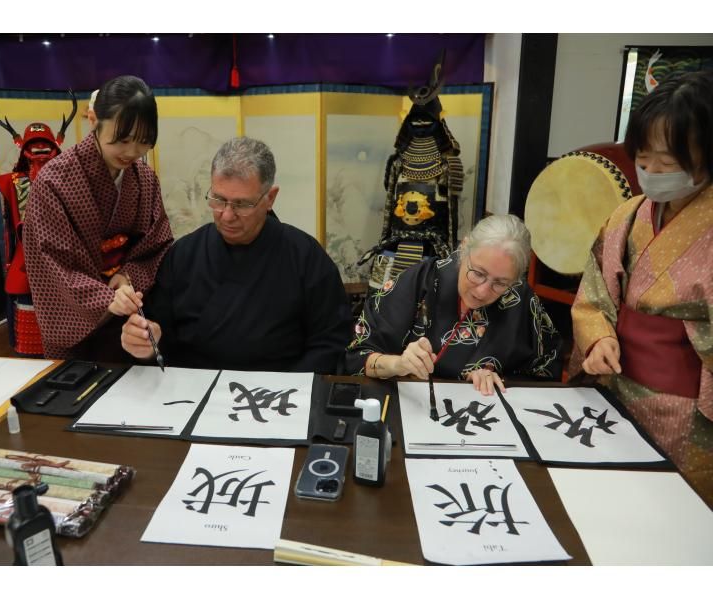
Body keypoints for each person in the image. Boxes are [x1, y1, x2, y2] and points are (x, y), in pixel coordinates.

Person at [571, 70, 713, 500]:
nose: (652, 173)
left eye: (667, 164)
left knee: (671, 514)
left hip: (688, 408)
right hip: (616, 387)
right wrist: (597, 341)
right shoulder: (629, 214)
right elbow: (593, 297)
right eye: (644, 160)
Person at [121, 137, 353, 373]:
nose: (227, 215)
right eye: (219, 200)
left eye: (242, 205)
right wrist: (147, 343)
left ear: (270, 198)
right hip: (195, 390)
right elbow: (159, 334)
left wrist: (288, 389)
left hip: (278, 393)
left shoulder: (305, 256)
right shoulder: (184, 254)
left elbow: (331, 342)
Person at [23, 75, 174, 360]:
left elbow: (158, 242)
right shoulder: (54, 181)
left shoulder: (145, 179)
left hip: (129, 304)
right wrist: (107, 297)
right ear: (94, 121)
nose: (132, 152)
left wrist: (128, 275)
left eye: (143, 142)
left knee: (133, 392)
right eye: (123, 140)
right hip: (77, 314)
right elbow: (50, 263)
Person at [345, 214, 562, 394]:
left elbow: (547, 374)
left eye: (501, 283)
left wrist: (497, 380)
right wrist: (398, 364)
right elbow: (356, 358)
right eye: (478, 273)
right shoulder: (420, 281)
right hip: (408, 409)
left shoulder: (521, 301)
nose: (482, 291)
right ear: (464, 248)